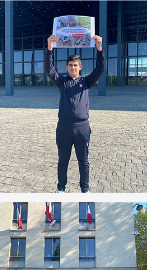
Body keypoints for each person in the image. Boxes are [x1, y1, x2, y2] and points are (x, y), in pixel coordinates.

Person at [44, 34, 105, 193]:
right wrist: (49, 48)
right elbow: (48, 69)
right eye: (70, 65)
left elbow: (100, 69)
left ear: (80, 67)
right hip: (64, 127)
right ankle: (61, 189)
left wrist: (99, 49)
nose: (72, 67)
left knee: (83, 161)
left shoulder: (86, 82)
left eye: (75, 65)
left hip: (82, 127)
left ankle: (85, 190)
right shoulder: (62, 82)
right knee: (63, 160)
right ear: (66, 67)